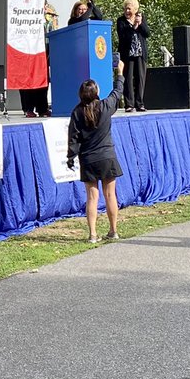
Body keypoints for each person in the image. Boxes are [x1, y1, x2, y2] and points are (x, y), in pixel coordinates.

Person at [67, 58, 126, 242]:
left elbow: (73, 137)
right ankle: (113, 231)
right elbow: (118, 92)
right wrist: (120, 73)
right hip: (107, 156)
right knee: (110, 194)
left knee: (92, 197)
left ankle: (92, 234)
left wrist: (71, 156)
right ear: (96, 93)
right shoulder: (106, 106)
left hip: (88, 159)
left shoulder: (77, 112)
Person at [115, 0, 150, 112]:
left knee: (140, 78)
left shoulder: (141, 17)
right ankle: (129, 104)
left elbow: (147, 33)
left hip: (140, 54)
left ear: (135, 9)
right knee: (128, 79)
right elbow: (123, 37)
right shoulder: (121, 21)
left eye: (129, 9)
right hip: (127, 54)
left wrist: (140, 24)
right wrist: (133, 28)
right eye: (125, 9)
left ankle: (140, 104)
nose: (127, 11)